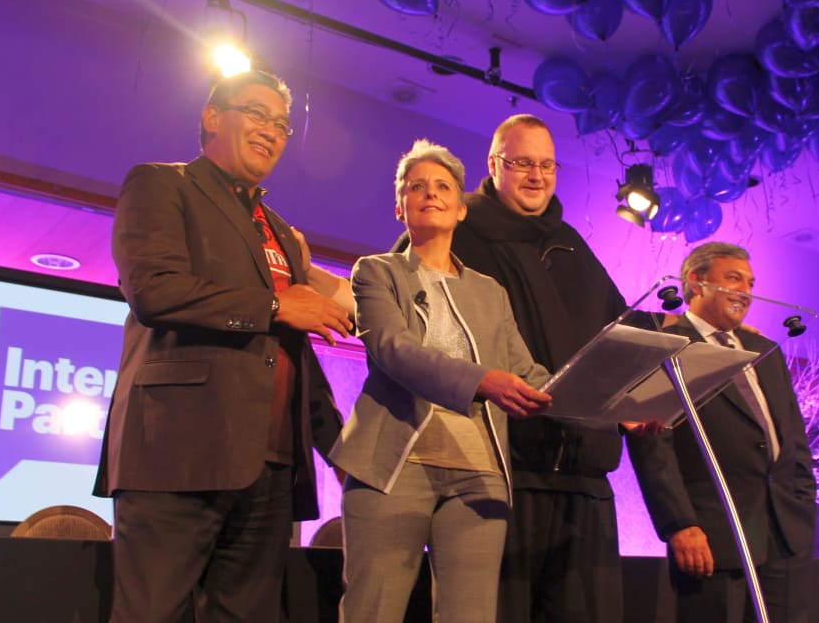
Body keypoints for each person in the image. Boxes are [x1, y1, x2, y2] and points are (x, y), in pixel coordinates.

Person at [94, 69, 354, 622]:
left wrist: (343, 455)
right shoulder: (161, 184)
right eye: (256, 113)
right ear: (212, 117)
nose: (272, 131)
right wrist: (278, 305)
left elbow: (292, 352)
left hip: (270, 468)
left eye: (282, 125)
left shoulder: (282, 232)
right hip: (176, 455)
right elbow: (153, 290)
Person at [396, 114, 629, 622]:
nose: (536, 175)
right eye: (522, 162)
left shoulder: (575, 249)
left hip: (583, 482)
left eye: (547, 165)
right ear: (493, 164)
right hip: (494, 474)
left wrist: (633, 404)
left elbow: (618, 343)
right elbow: (401, 329)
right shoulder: (457, 230)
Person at [329, 139, 552, 622]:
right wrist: (482, 382)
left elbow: (529, 374)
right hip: (393, 465)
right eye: (417, 187)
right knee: (373, 610)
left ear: (461, 209)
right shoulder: (376, 272)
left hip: (480, 471)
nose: (430, 194)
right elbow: (394, 350)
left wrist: (615, 412)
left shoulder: (490, 291)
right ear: (399, 207)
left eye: (443, 186)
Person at [627, 242, 817, 623]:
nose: (746, 291)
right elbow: (653, 445)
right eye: (734, 279)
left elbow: (792, 437)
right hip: (711, 536)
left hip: (782, 533)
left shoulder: (765, 350)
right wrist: (679, 524)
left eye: (750, 282)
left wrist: (801, 499)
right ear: (696, 282)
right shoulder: (668, 345)